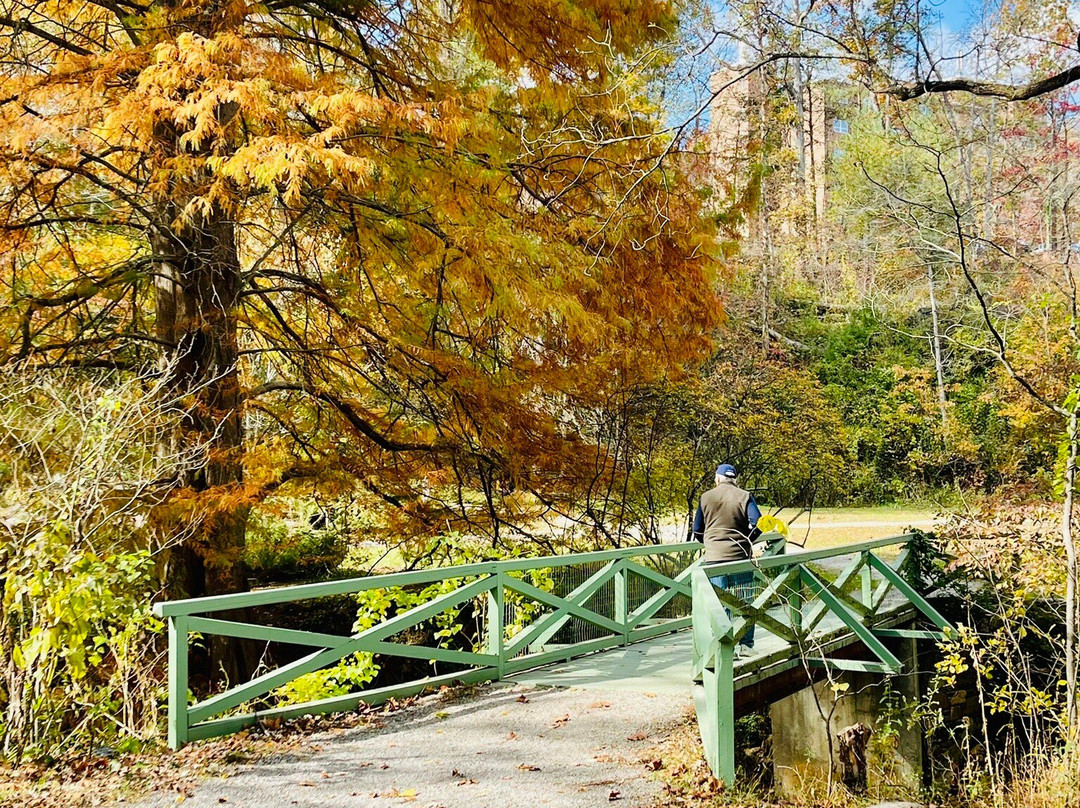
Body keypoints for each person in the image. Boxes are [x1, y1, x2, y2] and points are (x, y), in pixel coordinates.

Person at [692, 463, 762, 656]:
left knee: (719, 605)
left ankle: (722, 648)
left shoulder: (706, 497)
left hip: (714, 558)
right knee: (744, 601)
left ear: (717, 479)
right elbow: (759, 524)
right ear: (735, 480)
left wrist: (709, 542)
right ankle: (746, 645)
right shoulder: (744, 496)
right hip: (739, 557)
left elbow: (697, 529)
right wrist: (747, 540)